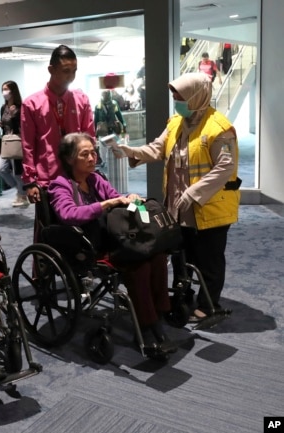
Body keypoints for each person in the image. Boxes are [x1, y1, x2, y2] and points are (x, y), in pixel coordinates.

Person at [118, 72, 240, 322]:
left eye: (180, 97)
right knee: (181, 257)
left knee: (209, 261)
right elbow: (157, 148)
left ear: (197, 96)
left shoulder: (220, 129)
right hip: (177, 208)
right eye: (174, 96)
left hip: (209, 208)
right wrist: (131, 151)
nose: (176, 101)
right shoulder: (176, 123)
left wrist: (194, 193)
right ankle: (182, 297)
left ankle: (208, 306)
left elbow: (225, 167)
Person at [49, 133, 177, 360]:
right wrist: (105, 204)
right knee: (138, 266)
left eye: (93, 152)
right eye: (84, 154)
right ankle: (148, 330)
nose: (92, 157)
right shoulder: (60, 185)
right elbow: (68, 214)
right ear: (69, 159)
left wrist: (130, 198)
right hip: (86, 248)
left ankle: (157, 318)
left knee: (156, 256)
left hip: (113, 239)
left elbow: (117, 199)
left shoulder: (95, 179)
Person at [20, 44, 95, 243]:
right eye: (65, 71)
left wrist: (90, 166)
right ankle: (41, 274)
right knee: (46, 232)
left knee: (81, 229)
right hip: (47, 178)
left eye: (74, 71)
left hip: (77, 176)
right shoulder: (32, 104)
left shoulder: (81, 100)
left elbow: (90, 137)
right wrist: (30, 181)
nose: (71, 76)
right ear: (51, 70)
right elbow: (28, 145)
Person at [0, 80, 28, 208]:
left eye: (7, 89)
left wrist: (15, 114)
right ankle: (21, 190)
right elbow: (5, 124)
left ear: (13, 91)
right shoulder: (3, 108)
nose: (4, 92)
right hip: (6, 141)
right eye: (3, 89)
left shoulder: (21, 107)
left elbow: (22, 125)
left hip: (17, 140)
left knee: (17, 171)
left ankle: (22, 195)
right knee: (1, 169)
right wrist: (1, 124)